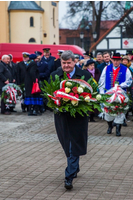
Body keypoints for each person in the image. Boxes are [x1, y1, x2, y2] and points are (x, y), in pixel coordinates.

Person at [50, 50, 92, 190]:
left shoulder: (85, 75)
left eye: (69, 63)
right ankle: (75, 165)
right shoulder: (55, 75)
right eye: (64, 63)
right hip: (61, 116)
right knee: (66, 143)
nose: (66, 65)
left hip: (78, 117)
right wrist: (54, 104)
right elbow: (48, 94)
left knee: (74, 143)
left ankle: (69, 176)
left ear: (75, 62)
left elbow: (93, 94)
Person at [99, 52, 132, 136]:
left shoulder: (125, 69)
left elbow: (129, 81)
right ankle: (110, 126)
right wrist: (102, 93)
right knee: (108, 111)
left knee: (120, 111)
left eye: (117, 60)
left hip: (120, 94)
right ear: (111, 60)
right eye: (114, 60)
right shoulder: (106, 68)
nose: (116, 62)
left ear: (120, 61)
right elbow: (101, 82)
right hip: (108, 94)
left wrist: (121, 86)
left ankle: (118, 129)